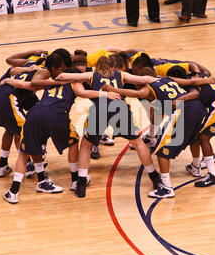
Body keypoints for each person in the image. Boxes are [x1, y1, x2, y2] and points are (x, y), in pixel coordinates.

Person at [1, 56, 123, 204]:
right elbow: (84, 93)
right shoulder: (73, 83)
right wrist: (105, 94)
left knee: (26, 152)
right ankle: (74, 180)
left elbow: (25, 85)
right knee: (73, 142)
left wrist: (8, 80)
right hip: (57, 115)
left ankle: (15, 191)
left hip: (35, 114)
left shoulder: (50, 83)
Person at [54, 55, 165, 198]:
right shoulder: (121, 75)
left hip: (100, 109)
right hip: (120, 109)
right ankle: (155, 177)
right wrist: (164, 81)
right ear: (113, 66)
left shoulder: (92, 74)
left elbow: (62, 75)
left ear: (97, 66)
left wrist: (55, 81)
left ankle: (81, 182)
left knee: (86, 144)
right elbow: (144, 79)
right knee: (138, 142)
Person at [102, 67, 210, 198]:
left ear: (139, 81)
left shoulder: (148, 88)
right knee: (195, 139)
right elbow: (156, 116)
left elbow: (136, 94)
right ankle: (196, 167)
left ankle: (166, 188)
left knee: (160, 150)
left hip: (184, 111)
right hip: (199, 108)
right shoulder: (166, 79)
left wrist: (113, 90)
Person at [169, 74, 215, 187]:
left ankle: (212, 176)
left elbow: (193, 90)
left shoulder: (194, 85)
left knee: (202, 137)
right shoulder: (206, 81)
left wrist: (168, 79)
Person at [0, 50, 48, 178]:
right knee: (26, 131)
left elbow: (10, 63)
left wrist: (34, 52)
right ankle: (29, 166)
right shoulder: (39, 70)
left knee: (10, 130)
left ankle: (2, 165)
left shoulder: (26, 64)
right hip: (8, 98)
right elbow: (31, 85)